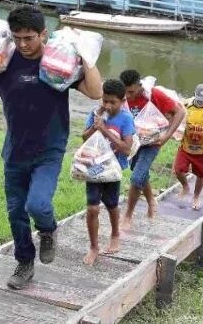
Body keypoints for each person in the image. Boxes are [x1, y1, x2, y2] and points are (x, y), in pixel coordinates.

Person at [0, 7, 103, 290]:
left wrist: (85, 54)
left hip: (49, 150)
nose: (23, 44)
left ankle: (47, 230)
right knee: (16, 212)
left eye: (30, 38)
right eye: (18, 37)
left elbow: (95, 92)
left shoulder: (59, 61)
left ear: (43, 34)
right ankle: (24, 263)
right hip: (15, 151)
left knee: (38, 204)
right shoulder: (3, 60)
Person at [119, 69, 186, 230]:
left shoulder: (153, 94)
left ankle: (128, 215)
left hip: (153, 142)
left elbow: (180, 112)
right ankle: (151, 200)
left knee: (136, 179)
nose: (128, 96)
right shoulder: (123, 97)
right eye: (125, 92)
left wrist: (167, 135)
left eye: (131, 92)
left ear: (139, 86)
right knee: (139, 171)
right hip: (135, 143)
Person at [80, 79, 135, 266]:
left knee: (112, 204)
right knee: (92, 207)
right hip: (94, 167)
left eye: (113, 102)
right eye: (105, 101)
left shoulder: (126, 119)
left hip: (113, 169)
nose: (108, 106)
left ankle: (115, 234)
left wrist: (105, 130)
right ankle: (94, 247)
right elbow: (84, 139)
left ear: (122, 101)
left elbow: (126, 149)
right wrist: (95, 126)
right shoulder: (96, 114)